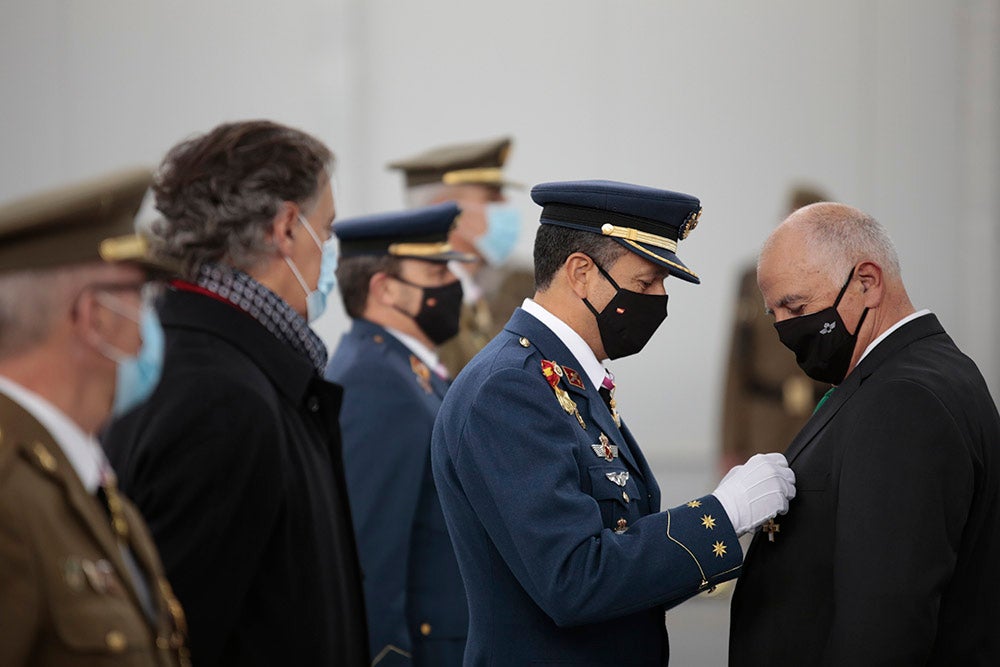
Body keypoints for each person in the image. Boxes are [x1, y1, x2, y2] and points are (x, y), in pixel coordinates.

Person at [431, 179, 797, 666]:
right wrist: (720, 516)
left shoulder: (565, 380)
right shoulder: (509, 389)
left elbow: (624, 566)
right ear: (580, 272)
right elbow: (574, 579)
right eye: (644, 283)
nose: (658, 300)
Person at [101, 121, 369, 666]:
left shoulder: (227, 366)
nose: (332, 250)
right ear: (287, 228)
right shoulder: (222, 400)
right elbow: (184, 635)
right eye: (329, 228)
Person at [729, 203, 1000, 664]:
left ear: (867, 282)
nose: (783, 330)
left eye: (796, 307)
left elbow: (885, 627)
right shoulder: (918, 370)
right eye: (774, 313)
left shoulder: (903, 400)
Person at [0, 168, 189, 665]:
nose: (149, 328)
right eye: (138, 298)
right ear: (93, 316)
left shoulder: (83, 480)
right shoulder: (9, 496)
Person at [326, 202, 475, 666]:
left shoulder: (406, 370)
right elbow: (371, 553)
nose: (453, 287)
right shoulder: (375, 380)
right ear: (385, 289)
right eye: (435, 276)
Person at [389, 136, 534, 376]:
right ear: (447, 208)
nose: (507, 205)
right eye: (492, 197)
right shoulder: (414, 296)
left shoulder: (478, 287)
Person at [719, 186, 831, 477]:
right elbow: (737, 364)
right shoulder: (753, 280)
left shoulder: (837, 281)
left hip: (820, 419)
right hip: (764, 424)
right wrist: (731, 443)